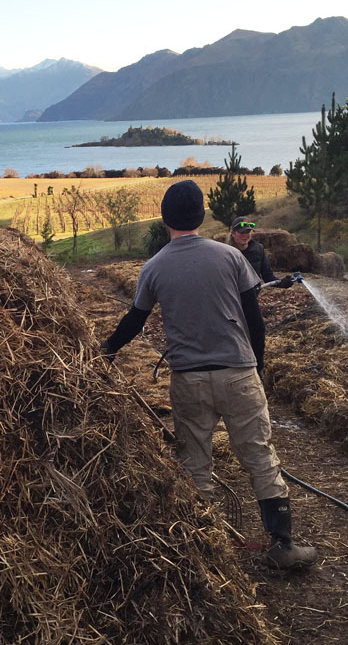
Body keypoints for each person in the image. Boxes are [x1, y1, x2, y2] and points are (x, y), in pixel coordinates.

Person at [101, 180, 316, 570]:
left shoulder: (153, 267)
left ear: (165, 220)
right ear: (202, 216)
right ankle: (283, 545)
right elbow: (255, 318)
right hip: (238, 373)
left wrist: (107, 349)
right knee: (259, 455)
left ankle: (205, 553)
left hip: (189, 380)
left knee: (195, 465)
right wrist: (259, 364)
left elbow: (135, 320)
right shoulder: (231, 258)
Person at [229, 217, 294, 287]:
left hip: (252, 295)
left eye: (247, 232)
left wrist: (282, 283)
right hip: (232, 296)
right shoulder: (227, 253)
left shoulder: (258, 250)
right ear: (233, 233)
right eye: (241, 232)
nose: (245, 235)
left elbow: (268, 276)